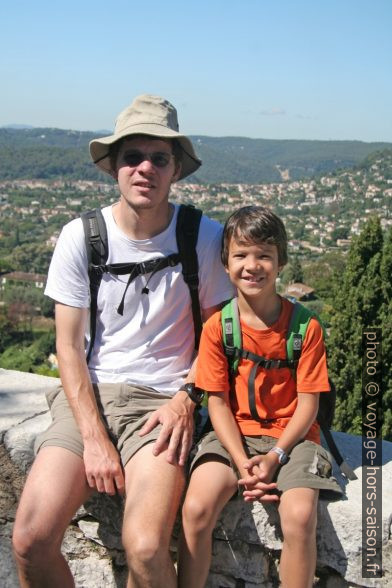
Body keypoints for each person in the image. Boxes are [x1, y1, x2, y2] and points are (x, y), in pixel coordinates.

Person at [12, 94, 234, 588]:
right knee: (29, 539)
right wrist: (93, 439)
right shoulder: (82, 237)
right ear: (114, 166)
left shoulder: (201, 236)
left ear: (175, 169)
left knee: (148, 547)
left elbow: (219, 340)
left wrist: (186, 399)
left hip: (164, 402)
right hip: (89, 397)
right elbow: (68, 349)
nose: (144, 169)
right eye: (133, 157)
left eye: (159, 158)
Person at [178, 206, 342, 588]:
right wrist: (241, 460)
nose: (252, 266)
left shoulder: (305, 328)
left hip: (294, 438)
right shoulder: (219, 327)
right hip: (232, 432)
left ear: (280, 262)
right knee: (197, 507)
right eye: (241, 255)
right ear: (225, 262)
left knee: (299, 516)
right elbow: (216, 401)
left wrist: (275, 456)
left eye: (264, 255)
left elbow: (309, 404)